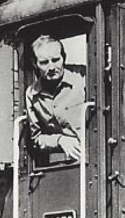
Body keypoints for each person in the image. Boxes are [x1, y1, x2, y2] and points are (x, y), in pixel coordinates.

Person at [26, 34, 85, 163]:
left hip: (90, 157)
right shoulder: (31, 94)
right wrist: (59, 140)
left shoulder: (82, 78)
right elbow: (36, 138)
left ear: (64, 58)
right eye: (44, 62)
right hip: (59, 164)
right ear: (34, 64)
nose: (51, 67)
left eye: (56, 60)